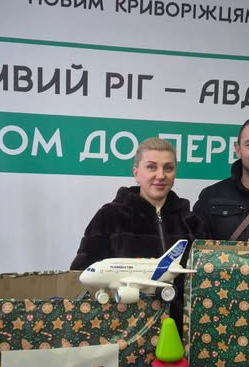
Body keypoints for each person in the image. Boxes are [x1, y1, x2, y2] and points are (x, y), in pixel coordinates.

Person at [70, 137, 205, 327]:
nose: (160, 175)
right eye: (151, 167)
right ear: (136, 173)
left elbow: (203, 282)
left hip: (179, 329)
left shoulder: (191, 222)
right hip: (122, 329)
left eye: (168, 168)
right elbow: (81, 274)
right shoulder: (110, 216)